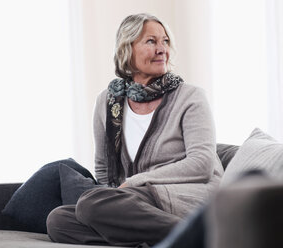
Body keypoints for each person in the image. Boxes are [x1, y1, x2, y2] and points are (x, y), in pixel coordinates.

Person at [46, 13, 223, 246]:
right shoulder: (106, 103)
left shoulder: (190, 97)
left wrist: (137, 181)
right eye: (151, 41)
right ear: (126, 49)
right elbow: (104, 169)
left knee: (91, 204)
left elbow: (201, 164)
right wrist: (116, 198)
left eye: (165, 41)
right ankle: (162, 239)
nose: (162, 49)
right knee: (59, 220)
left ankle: (195, 236)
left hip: (183, 195)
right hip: (134, 202)